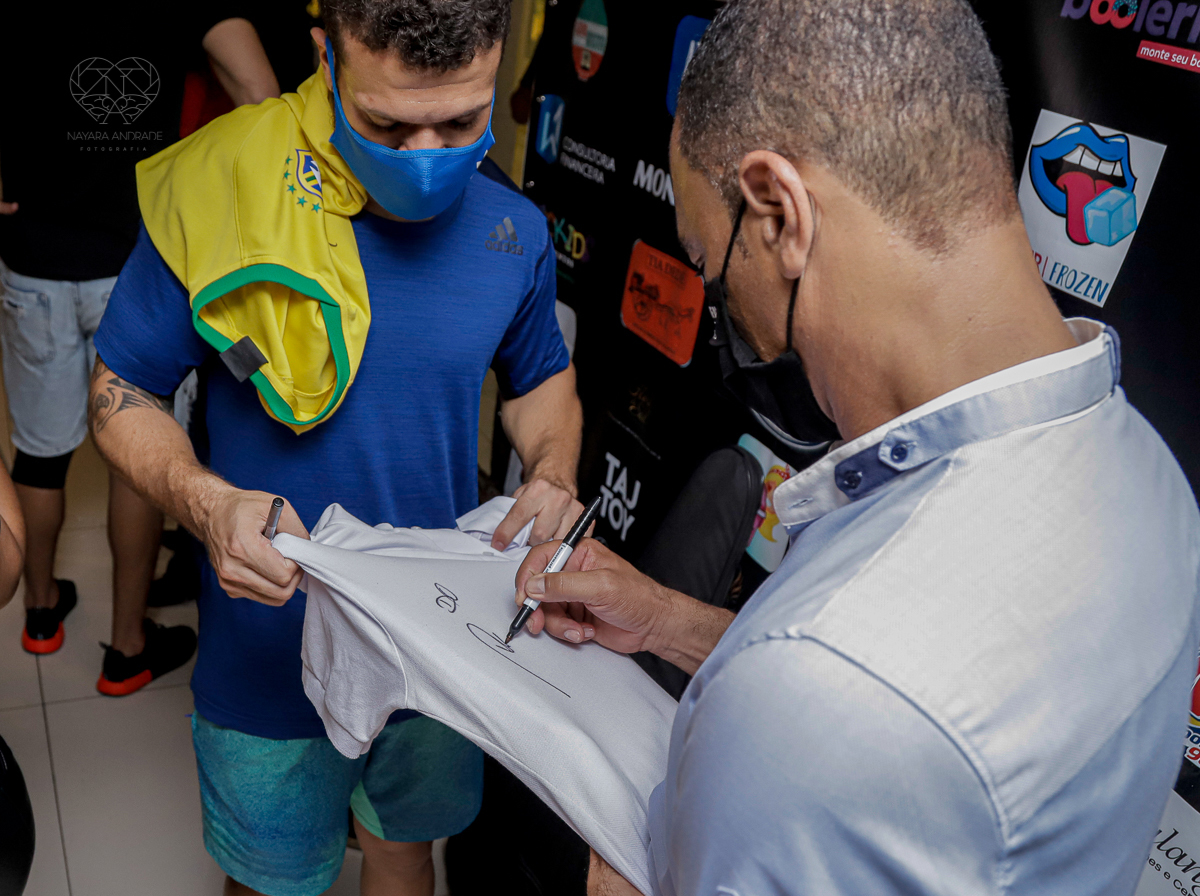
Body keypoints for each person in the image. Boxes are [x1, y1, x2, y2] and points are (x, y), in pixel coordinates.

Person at [512, 1, 1200, 893]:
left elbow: (855, 699)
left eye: (711, 269)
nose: (731, 322)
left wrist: (627, 860)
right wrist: (674, 622)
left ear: (780, 214)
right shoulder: (1151, 478)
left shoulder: (825, 684)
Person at [87, 1, 584, 893]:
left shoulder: (514, 228)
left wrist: (552, 470)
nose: (428, 156)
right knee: (275, 878)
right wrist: (205, 503)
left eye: (462, 121)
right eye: (389, 123)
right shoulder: (221, 189)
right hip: (265, 645)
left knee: (404, 853)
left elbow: (541, 382)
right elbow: (119, 390)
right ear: (325, 57)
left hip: (436, 638)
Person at [0, 7, 278, 695]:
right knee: (140, 453)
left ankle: (38, 611)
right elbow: (262, 96)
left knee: (39, 450)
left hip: (32, 254)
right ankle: (127, 647)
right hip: (139, 260)